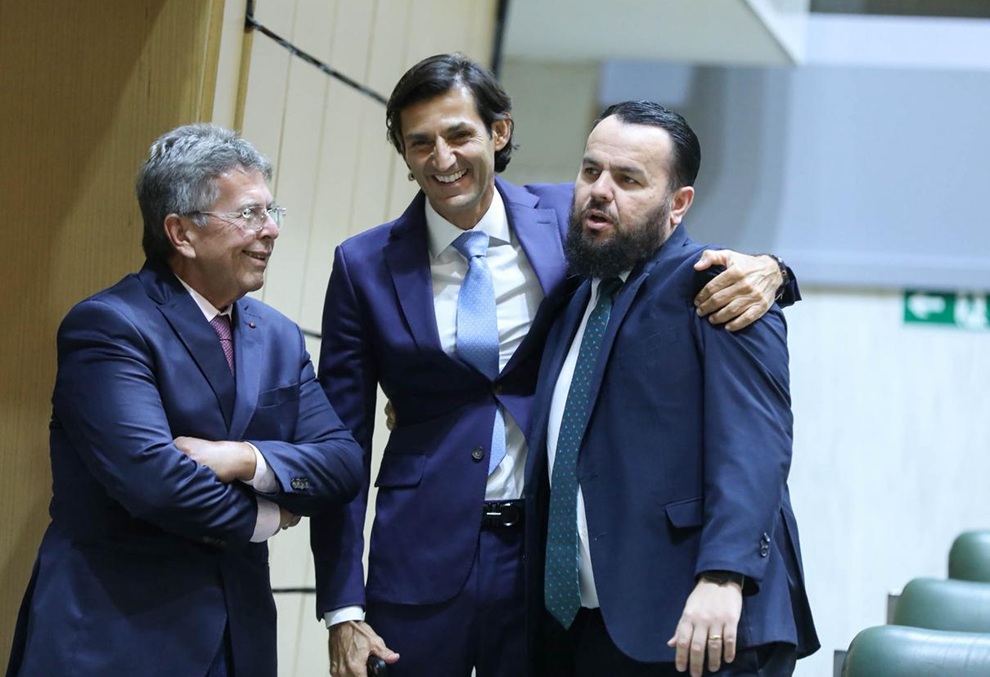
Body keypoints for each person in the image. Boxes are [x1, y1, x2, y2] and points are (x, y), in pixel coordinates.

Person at [310, 53, 799, 677]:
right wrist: (342, 606)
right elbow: (340, 445)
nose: (442, 158)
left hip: (544, 563)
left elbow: (674, 260)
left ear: (499, 132)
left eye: (459, 134)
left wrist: (774, 271)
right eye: (421, 142)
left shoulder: (572, 226)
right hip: (422, 555)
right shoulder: (363, 265)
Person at [6, 124, 363, 677]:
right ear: (181, 233)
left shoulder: (278, 336)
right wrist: (270, 515)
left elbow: (342, 463)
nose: (271, 230)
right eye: (249, 214)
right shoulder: (109, 326)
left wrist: (246, 459)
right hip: (117, 636)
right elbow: (157, 482)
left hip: (239, 638)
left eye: (271, 211)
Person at [525, 101, 819, 677]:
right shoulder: (575, 296)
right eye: (590, 171)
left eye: (629, 179)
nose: (600, 191)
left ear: (678, 204)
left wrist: (724, 576)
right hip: (590, 626)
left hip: (703, 621)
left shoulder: (721, 287)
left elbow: (755, 447)